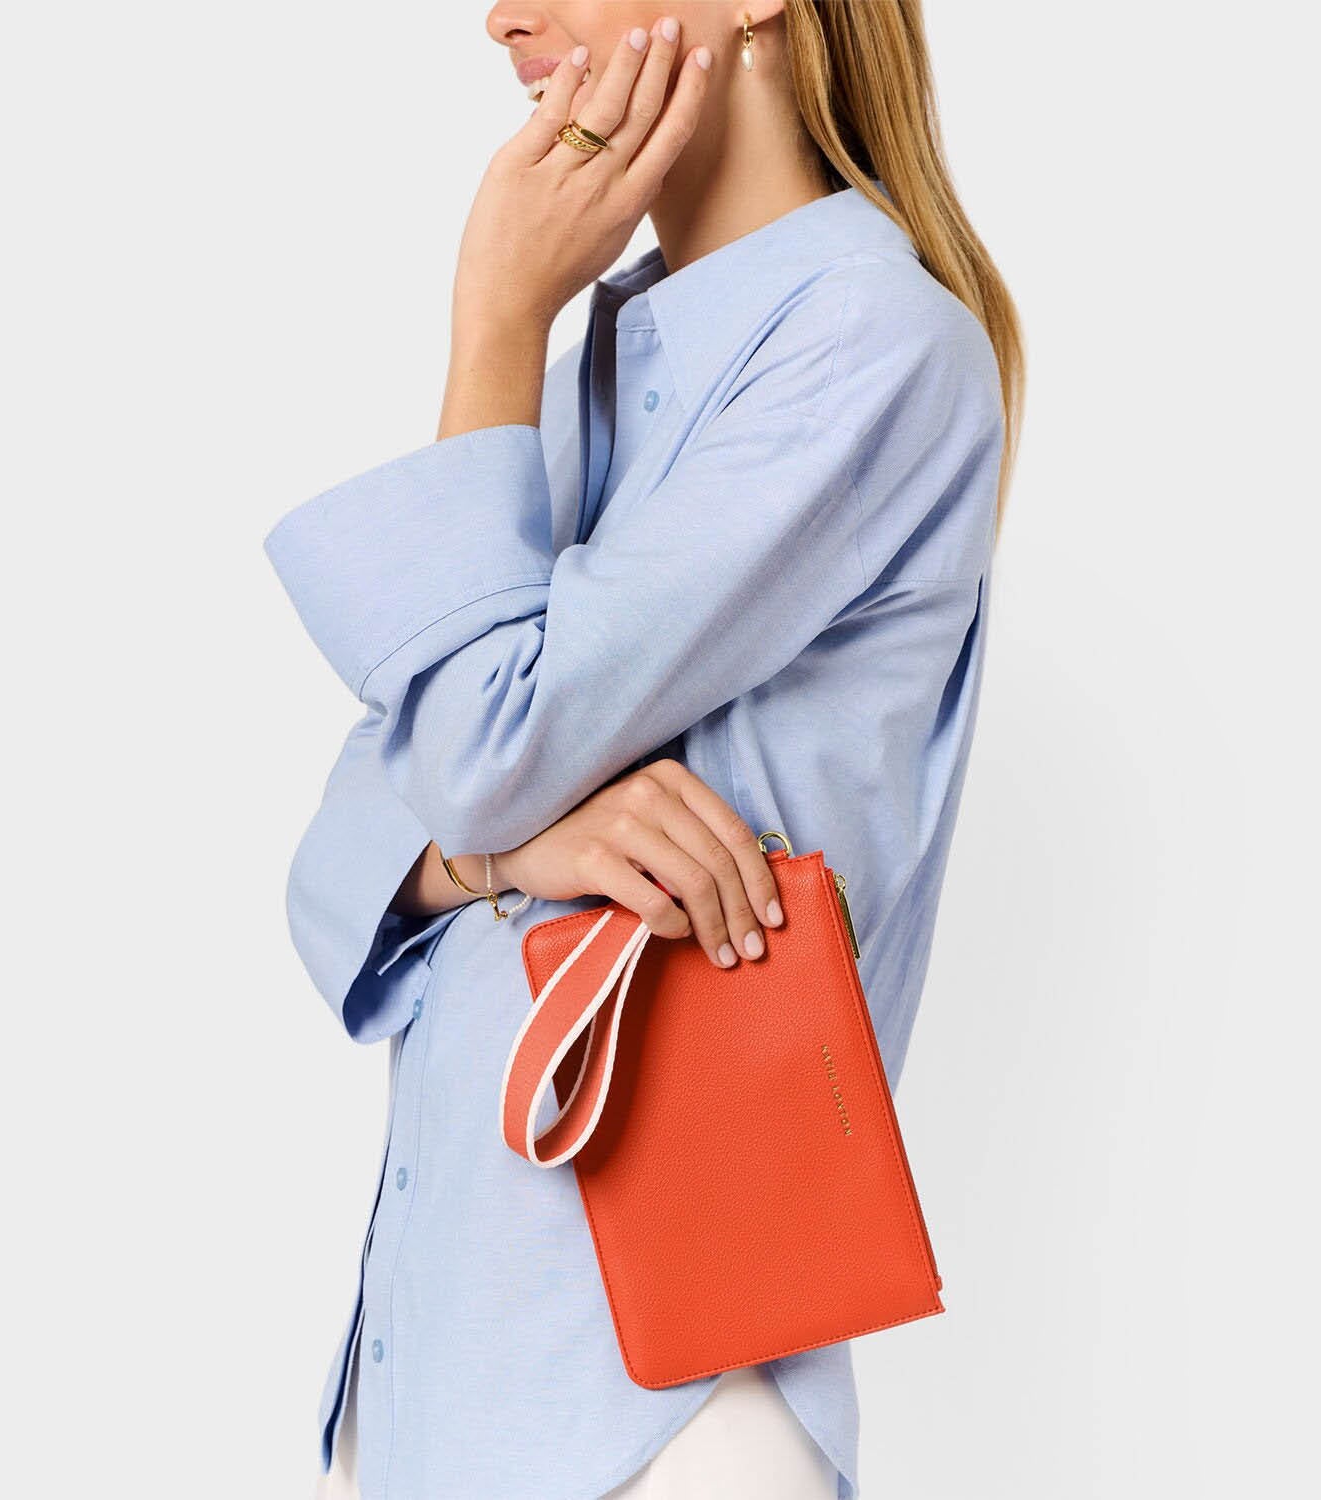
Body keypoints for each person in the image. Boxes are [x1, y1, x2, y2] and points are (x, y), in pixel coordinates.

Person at [263, 3, 1024, 1497]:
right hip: (420, 1391)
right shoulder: (591, 381)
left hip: (652, 1413)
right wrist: (504, 851)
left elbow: (472, 750)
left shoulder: (869, 346)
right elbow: (339, 853)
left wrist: (493, 321)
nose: (501, 16)